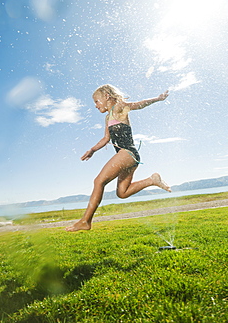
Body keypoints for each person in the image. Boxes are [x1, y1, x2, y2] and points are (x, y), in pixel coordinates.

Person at [66, 84, 171, 232]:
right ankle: (152, 180)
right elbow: (105, 139)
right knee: (122, 193)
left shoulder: (119, 107)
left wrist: (158, 99)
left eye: (96, 101)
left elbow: (138, 105)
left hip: (127, 152)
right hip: (130, 156)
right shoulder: (108, 117)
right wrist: (92, 150)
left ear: (107, 97)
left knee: (98, 181)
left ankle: (85, 221)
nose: (96, 106)